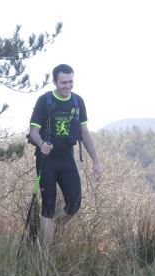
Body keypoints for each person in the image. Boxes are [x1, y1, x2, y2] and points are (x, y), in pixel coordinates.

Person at [28, 64, 103, 248]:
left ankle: (54, 227)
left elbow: (84, 132)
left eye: (70, 82)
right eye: (63, 82)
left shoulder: (78, 101)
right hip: (46, 160)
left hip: (67, 158)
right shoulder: (44, 101)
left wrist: (96, 160)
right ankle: (45, 253)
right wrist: (41, 144)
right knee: (48, 205)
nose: (67, 86)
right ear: (54, 82)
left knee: (75, 202)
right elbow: (33, 132)